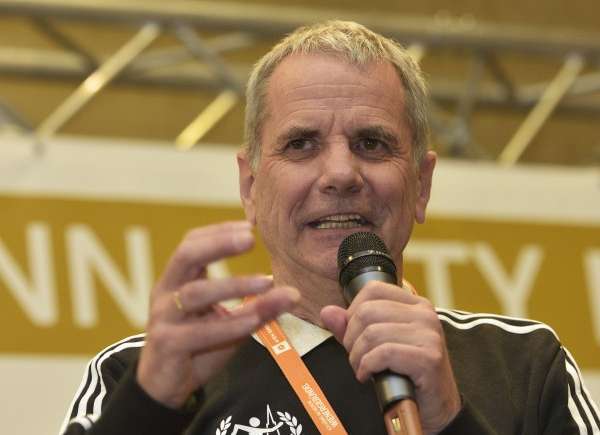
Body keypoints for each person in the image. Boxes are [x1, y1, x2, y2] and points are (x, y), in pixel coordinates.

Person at [60, 20, 599, 435]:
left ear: (421, 184)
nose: (341, 173)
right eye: (301, 144)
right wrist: (150, 408)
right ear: (250, 186)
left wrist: (449, 420)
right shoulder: (149, 374)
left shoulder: (525, 366)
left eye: (372, 143)